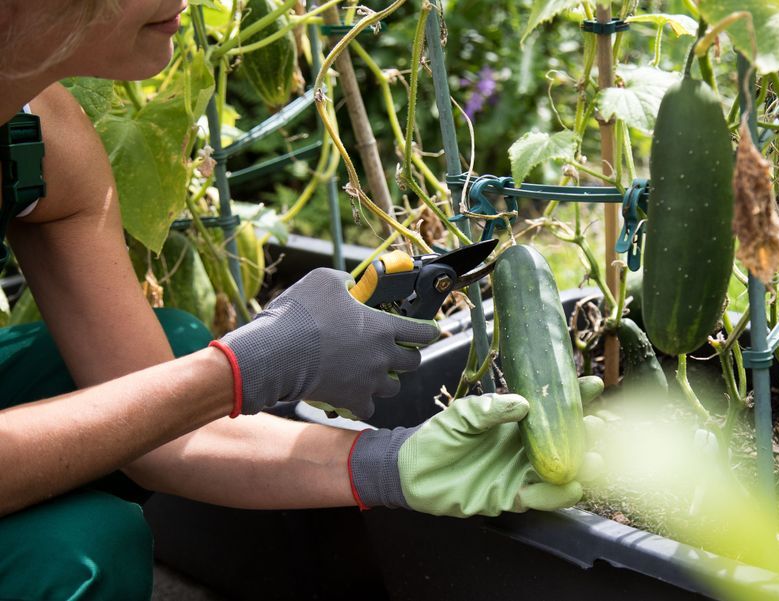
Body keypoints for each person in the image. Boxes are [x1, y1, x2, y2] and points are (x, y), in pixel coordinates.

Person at [0, 1, 583, 598]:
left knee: (167, 354)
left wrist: (393, 463)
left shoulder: (41, 137)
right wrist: (240, 370)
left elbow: (168, 438)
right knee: (78, 554)